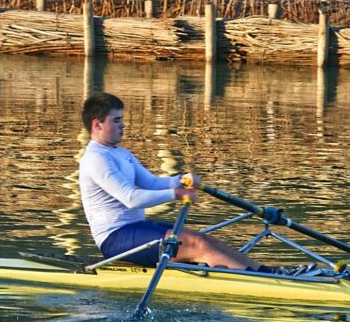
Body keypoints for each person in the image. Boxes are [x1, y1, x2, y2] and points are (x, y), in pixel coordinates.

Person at [78, 92, 320, 276]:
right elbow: (130, 198)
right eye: (116, 120)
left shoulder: (121, 153)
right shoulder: (96, 159)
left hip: (136, 229)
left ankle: (270, 272)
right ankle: (263, 281)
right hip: (116, 240)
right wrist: (175, 193)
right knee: (198, 243)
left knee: (203, 238)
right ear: (97, 124)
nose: (123, 125)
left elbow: (151, 182)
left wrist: (181, 179)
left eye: (122, 119)